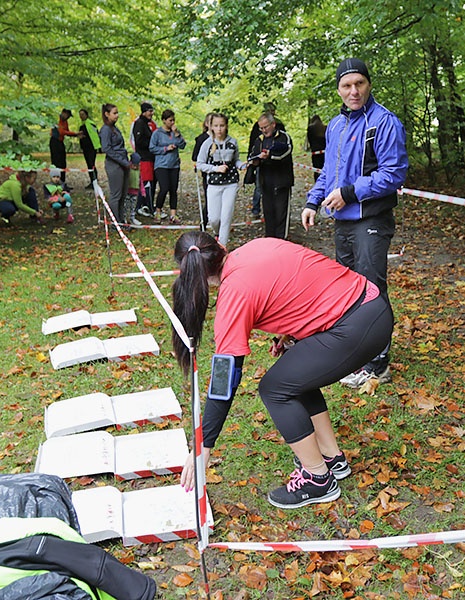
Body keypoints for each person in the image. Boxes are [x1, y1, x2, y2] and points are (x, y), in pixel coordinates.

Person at [173, 232, 393, 508]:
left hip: (355, 328)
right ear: (220, 244)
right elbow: (302, 282)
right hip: (371, 305)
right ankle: (331, 457)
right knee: (295, 374)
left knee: (275, 388)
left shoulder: (234, 294)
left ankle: (317, 479)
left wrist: (203, 446)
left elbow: (224, 380)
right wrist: (291, 331)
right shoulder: (256, 246)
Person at [302, 58, 408, 389]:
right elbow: (329, 175)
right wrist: (312, 201)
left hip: (371, 219)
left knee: (371, 290)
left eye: (359, 84)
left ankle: (378, 364)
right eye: (347, 85)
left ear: (369, 84)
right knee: (348, 290)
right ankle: (355, 354)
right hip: (342, 222)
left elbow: (394, 173)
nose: (353, 91)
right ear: (338, 89)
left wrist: (349, 193)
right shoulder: (335, 125)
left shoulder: (384, 122)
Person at [195, 113, 245, 246]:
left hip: (231, 183)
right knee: (214, 218)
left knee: (226, 215)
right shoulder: (207, 143)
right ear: (211, 126)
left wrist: (241, 165)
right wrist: (215, 169)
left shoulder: (232, 142)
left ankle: (222, 246)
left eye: (222, 125)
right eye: (216, 126)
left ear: (226, 126)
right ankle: (217, 233)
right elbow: (200, 163)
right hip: (214, 184)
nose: (219, 129)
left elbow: (236, 160)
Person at [248, 113, 294, 238]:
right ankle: (270, 239)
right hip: (265, 181)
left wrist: (270, 155)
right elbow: (252, 155)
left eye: (266, 127)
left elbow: (286, 152)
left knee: (281, 212)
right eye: (261, 128)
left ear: (273, 124)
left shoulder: (284, 137)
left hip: (282, 181)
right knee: (268, 212)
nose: (263, 130)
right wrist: (254, 161)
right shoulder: (259, 140)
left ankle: (282, 240)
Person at [248, 102, 286, 218]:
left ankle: (276, 212)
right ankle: (256, 209)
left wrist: (272, 154)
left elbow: (284, 144)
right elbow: (253, 141)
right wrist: (252, 159)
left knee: (277, 189)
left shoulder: (279, 125)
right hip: (262, 163)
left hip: (277, 164)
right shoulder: (257, 126)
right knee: (259, 186)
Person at [150, 109, 187, 224]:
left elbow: (183, 145)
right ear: (164, 120)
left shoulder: (175, 132)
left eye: (173, 120)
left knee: (173, 190)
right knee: (164, 188)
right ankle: (158, 211)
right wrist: (166, 149)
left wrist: (177, 134)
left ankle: (173, 215)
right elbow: (152, 148)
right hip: (161, 165)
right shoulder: (157, 133)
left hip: (174, 165)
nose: (172, 122)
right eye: (170, 120)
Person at [98, 103, 131, 224]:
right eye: (114, 113)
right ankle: (114, 222)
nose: (117, 115)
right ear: (107, 114)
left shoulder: (115, 128)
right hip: (114, 165)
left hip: (123, 163)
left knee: (123, 194)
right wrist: (123, 162)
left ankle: (121, 220)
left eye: (117, 113)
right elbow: (107, 149)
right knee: (115, 194)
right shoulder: (105, 129)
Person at [132, 102, 158, 219]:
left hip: (150, 158)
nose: (151, 114)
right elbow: (139, 141)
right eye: (149, 111)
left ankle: (146, 205)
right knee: (146, 183)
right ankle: (141, 206)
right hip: (144, 158)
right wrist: (151, 145)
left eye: (152, 111)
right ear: (144, 112)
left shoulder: (149, 124)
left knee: (149, 183)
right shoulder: (139, 123)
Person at [192, 112, 213, 229]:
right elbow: (195, 156)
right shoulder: (201, 139)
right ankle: (203, 224)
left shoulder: (220, 137)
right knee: (209, 199)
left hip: (221, 174)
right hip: (208, 173)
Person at [48, 109, 74, 184]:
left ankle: (62, 182)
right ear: (63, 113)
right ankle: (55, 181)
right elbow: (61, 131)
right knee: (56, 163)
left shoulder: (65, 122)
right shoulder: (57, 120)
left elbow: (67, 131)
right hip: (55, 141)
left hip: (60, 142)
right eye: (67, 115)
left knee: (63, 163)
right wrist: (75, 133)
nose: (68, 118)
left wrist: (76, 135)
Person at [78, 108, 102, 189]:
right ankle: (92, 181)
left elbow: (96, 135)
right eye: (80, 115)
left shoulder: (91, 124)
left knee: (91, 164)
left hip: (91, 148)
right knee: (89, 165)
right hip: (85, 148)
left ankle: (94, 181)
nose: (81, 116)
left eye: (83, 114)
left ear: (86, 115)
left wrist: (99, 147)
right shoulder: (81, 125)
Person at [306, 114, 326, 181]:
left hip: (315, 151)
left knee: (316, 168)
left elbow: (309, 139)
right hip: (324, 151)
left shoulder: (310, 128)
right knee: (324, 168)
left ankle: (317, 181)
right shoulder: (325, 128)